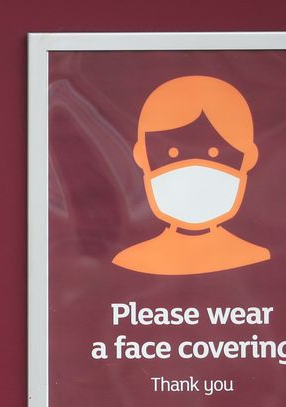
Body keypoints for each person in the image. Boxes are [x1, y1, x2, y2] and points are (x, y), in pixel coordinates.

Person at [112, 75, 270, 275]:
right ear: (141, 156)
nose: (195, 169)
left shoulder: (254, 258)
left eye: (215, 154)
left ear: (249, 158)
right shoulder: (130, 262)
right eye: (172, 154)